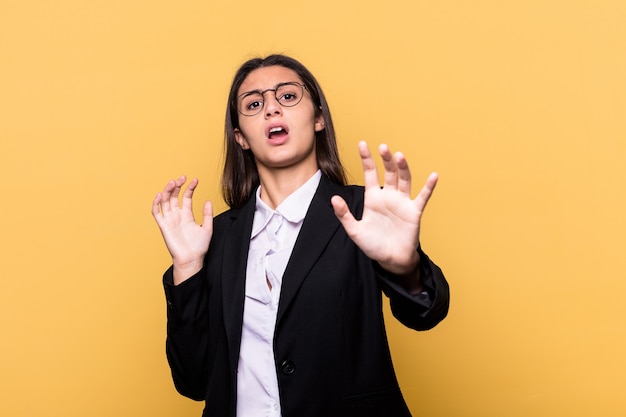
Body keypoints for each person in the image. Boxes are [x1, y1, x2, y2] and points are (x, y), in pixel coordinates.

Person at [151, 54, 450, 417]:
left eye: (288, 97)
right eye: (255, 103)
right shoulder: (217, 238)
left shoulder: (363, 211)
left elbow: (425, 314)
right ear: (240, 138)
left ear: (319, 117)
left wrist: (407, 268)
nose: (272, 109)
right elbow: (192, 381)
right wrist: (187, 267)